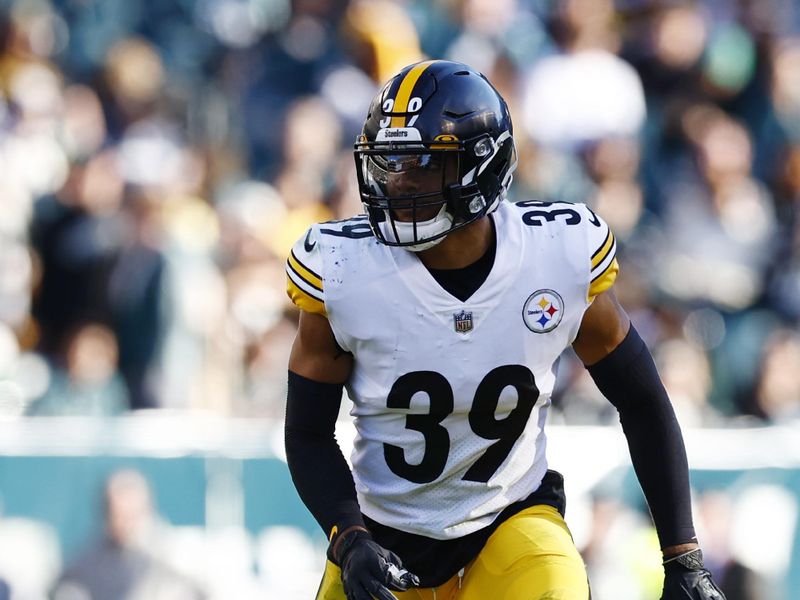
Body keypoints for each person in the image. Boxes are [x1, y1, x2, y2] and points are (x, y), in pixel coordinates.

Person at [284, 59, 726, 600]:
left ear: (482, 168)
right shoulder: (343, 270)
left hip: (510, 521)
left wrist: (683, 557)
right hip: (382, 535)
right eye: (390, 163)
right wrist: (348, 537)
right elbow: (307, 431)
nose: (400, 183)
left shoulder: (555, 256)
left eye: (423, 164)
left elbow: (642, 400)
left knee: (553, 587)